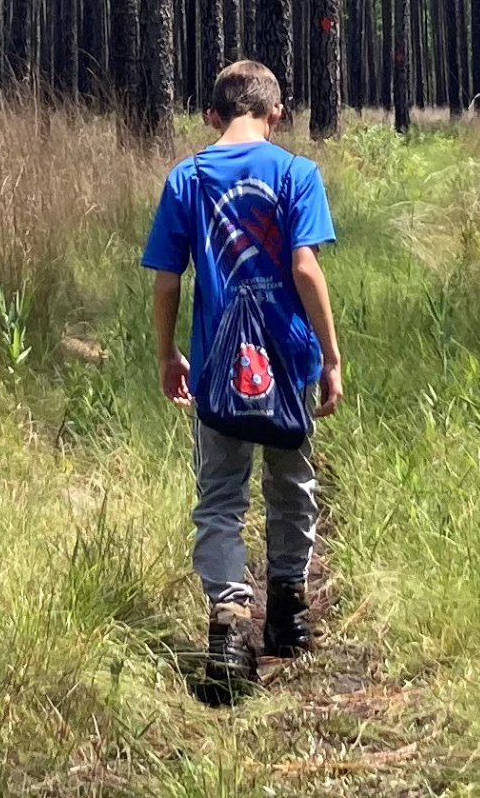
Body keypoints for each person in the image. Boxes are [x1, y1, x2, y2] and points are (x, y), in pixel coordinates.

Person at [141, 59, 346, 705]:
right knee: (293, 482)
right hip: (288, 359)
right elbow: (306, 269)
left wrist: (170, 353)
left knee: (221, 497)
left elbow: (168, 279)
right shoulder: (296, 174)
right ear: (276, 113)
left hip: (219, 368)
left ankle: (229, 631)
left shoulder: (189, 177)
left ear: (210, 115)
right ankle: (288, 615)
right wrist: (333, 357)